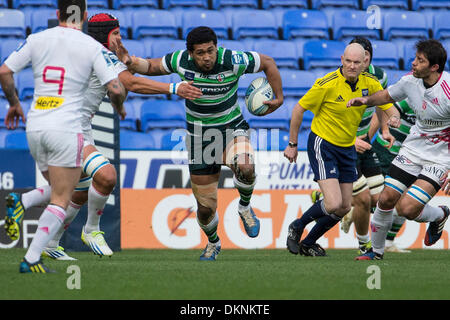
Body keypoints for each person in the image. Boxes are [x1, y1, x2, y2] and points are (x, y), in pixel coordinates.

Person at [4, 13, 202, 260]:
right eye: (116, 33)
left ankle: (36, 220)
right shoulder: (99, 54)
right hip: (69, 128)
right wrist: (175, 87)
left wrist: (122, 68)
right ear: (104, 35)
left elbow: (118, 87)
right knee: (106, 176)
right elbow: (131, 83)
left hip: (58, 125)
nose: (120, 38)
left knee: (79, 189)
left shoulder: (82, 50)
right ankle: (92, 230)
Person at [116, 26, 284, 260]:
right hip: (199, 137)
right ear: (191, 53)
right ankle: (213, 243)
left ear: (217, 47)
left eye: (210, 51)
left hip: (231, 128)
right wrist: (130, 60)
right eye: (200, 53)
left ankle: (244, 207)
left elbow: (268, 62)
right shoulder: (180, 60)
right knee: (205, 210)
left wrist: (279, 97)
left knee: (246, 166)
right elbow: (151, 66)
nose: (206, 57)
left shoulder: (232, 60)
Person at [0, 0, 126, 273]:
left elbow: (4, 71)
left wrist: (13, 103)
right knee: (71, 191)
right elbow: (118, 88)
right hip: (67, 128)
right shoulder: (89, 47)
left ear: (57, 14)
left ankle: (26, 203)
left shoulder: (38, 40)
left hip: (36, 125)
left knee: (72, 188)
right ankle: (37, 255)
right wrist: (121, 103)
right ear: (85, 17)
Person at [285, 43, 400, 257]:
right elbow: (298, 109)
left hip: (348, 148)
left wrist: (394, 117)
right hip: (323, 144)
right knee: (333, 203)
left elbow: (388, 104)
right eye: (348, 61)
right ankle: (297, 226)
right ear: (341, 60)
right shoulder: (326, 83)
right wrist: (292, 144)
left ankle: (309, 242)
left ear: (365, 62)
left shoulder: (371, 83)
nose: (352, 66)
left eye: (357, 62)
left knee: (345, 207)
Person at [348, 39, 450, 260]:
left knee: (408, 208)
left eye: (420, 60)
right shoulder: (410, 81)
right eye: (415, 58)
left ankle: (439, 214)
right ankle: (375, 252)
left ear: (434, 67)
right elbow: (386, 96)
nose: (413, 63)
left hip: (440, 158)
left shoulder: (448, 90)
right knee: (385, 199)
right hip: (412, 150)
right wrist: (365, 100)